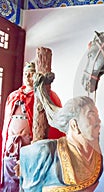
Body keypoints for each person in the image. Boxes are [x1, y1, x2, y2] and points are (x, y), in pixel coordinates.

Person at [0, 62, 64, 191]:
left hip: (30, 147)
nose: (28, 77)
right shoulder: (13, 96)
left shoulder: (46, 96)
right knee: (9, 180)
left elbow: (56, 123)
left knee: (29, 180)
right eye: (25, 74)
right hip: (12, 146)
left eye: (31, 75)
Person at [19, 96, 103, 191]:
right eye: (91, 116)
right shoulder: (44, 152)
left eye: (97, 116)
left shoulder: (96, 156)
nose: (99, 121)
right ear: (74, 125)